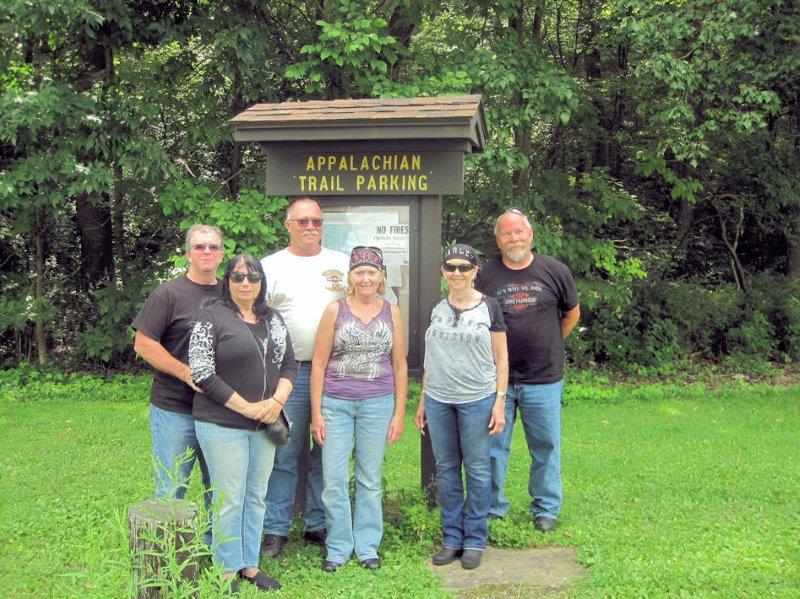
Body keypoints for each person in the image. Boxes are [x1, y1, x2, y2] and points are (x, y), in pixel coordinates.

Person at [189, 254, 297, 593]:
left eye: (252, 276)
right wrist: (248, 408)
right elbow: (202, 372)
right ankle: (225, 570)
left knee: (256, 496)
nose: (245, 283)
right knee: (229, 498)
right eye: (238, 277)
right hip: (222, 423)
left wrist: (276, 403)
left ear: (262, 281)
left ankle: (250, 565)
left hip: (264, 424)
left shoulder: (273, 318)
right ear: (228, 282)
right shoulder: (211, 317)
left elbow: (290, 364)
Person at [475, 208, 580, 532]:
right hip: (497, 380)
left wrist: (549, 342)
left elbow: (572, 314)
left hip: (543, 378)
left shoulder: (555, 270)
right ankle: (492, 507)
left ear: (530, 235)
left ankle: (546, 508)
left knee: (546, 446)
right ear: (498, 240)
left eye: (519, 232)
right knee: (492, 448)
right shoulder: (485, 275)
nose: (513, 238)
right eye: (506, 233)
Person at [260, 197, 349, 557]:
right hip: (290, 372)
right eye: (302, 221)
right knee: (284, 451)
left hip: (337, 372)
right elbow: (256, 318)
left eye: (316, 221)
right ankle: (275, 528)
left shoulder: (342, 263)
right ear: (288, 226)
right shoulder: (270, 266)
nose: (310, 227)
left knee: (328, 451)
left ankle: (318, 523)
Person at [310, 246, 407, 572]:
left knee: (369, 479)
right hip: (336, 403)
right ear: (350, 277)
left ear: (381, 277)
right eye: (360, 272)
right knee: (334, 479)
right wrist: (316, 413)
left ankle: (367, 546)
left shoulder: (392, 312)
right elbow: (319, 364)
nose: (366, 278)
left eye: (372, 272)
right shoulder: (334, 310)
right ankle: (338, 547)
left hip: (377, 403)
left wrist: (399, 413)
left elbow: (399, 364)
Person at [414, 244, 508, 570]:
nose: (457, 273)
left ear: (475, 271)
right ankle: (452, 537)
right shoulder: (436, 308)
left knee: (478, 469)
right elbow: (431, 358)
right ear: (443, 271)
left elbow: (501, 359)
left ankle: (475, 539)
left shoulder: (489, 307)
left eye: (464, 267)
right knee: (447, 469)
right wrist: (423, 399)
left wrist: (499, 401)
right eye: (450, 267)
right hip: (439, 399)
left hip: (477, 399)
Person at [132, 224, 223, 506]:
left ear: (222, 254)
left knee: (219, 492)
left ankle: (214, 538)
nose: (207, 251)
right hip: (174, 408)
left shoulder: (231, 294)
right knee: (171, 490)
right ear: (188, 253)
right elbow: (143, 343)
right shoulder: (168, 293)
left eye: (213, 247)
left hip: (220, 410)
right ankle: (168, 536)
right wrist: (184, 372)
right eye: (199, 246)